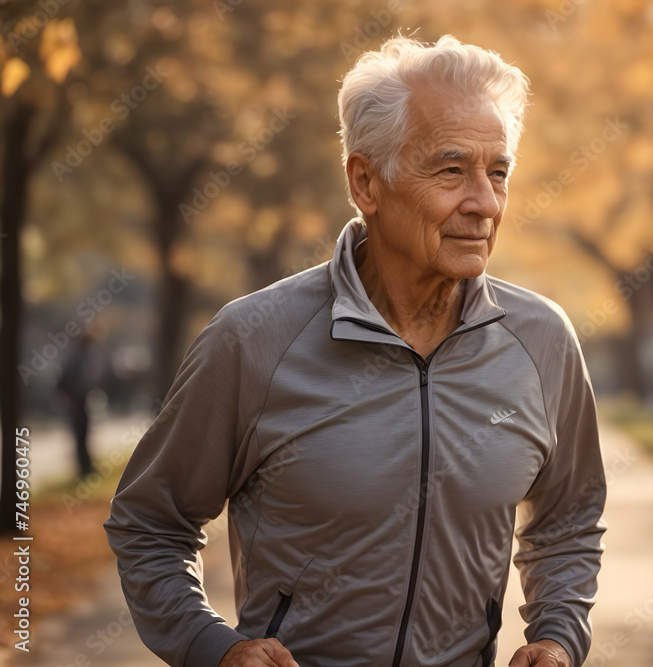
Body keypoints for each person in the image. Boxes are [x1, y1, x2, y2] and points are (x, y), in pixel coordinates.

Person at [105, 35, 606, 667]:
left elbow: (568, 521)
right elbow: (150, 523)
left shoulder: (542, 341)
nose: (485, 203)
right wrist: (212, 648)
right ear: (366, 182)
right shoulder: (253, 340)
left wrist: (558, 637)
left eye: (498, 172)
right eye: (452, 170)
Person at [57, 332, 106, 476]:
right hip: (77, 403)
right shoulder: (76, 360)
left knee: (84, 435)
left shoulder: (84, 359)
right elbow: (63, 383)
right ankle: (84, 468)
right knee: (81, 436)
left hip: (83, 402)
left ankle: (87, 466)